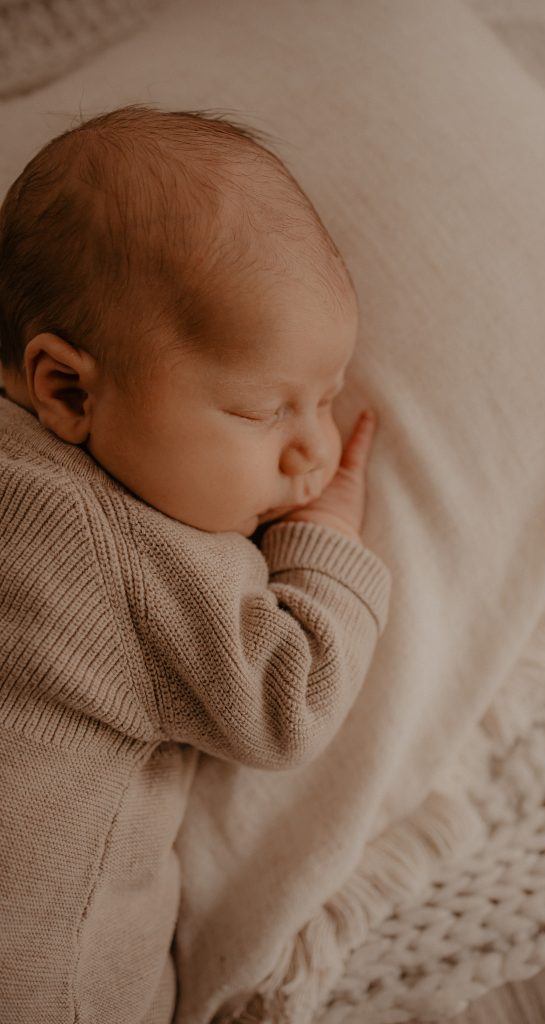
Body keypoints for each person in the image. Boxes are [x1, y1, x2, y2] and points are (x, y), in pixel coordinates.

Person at [0, 105, 391, 1024]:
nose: (312, 453)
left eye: (326, 400)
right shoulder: (135, 549)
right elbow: (285, 702)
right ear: (66, 388)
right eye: (263, 411)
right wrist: (325, 547)